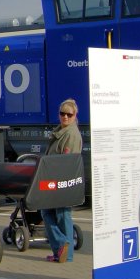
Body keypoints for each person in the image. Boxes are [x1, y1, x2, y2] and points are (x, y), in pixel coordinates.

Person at [41, 98, 83, 262]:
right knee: (55, 214)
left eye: (69, 114)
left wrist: (61, 182)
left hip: (61, 181)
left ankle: (64, 248)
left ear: (75, 115)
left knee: (60, 214)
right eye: (62, 113)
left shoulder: (71, 134)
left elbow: (67, 161)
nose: (65, 117)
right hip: (55, 179)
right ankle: (62, 251)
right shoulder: (61, 131)